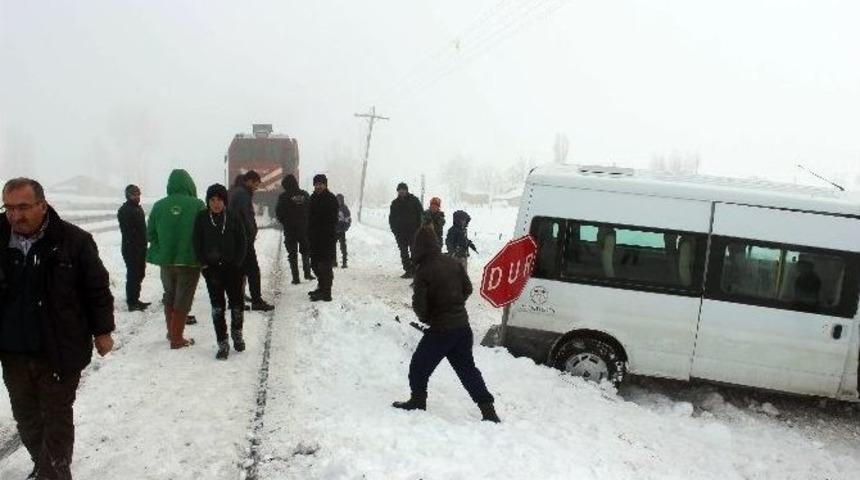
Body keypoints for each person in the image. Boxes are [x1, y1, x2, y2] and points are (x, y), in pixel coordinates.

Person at [0, 177, 115, 479]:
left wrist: (102, 331)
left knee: (56, 416)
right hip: (12, 350)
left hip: (59, 347)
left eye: (23, 207)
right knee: (26, 416)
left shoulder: (73, 241)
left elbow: (96, 289)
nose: (15, 215)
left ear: (42, 205)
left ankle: (52, 473)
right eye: (9, 208)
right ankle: (44, 466)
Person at [392, 227, 499, 423]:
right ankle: (488, 411)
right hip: (462, 328)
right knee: (467, 370)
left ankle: (417, 401)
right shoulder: (453, 262)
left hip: (441, 330)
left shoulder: (423, 270)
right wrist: (455, 305)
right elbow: (468, 288)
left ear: (417, 246)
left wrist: (428, 318)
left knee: (418, 366)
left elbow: (419, 305)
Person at [147, 169, 206, 349]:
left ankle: (171, 332)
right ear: (189, 184)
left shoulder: (158, 206)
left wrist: (163, 248)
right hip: (189, 261)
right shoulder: (197, 205)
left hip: (166, 261)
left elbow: (150, 233)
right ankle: (177, 339)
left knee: (170, 296)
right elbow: (204, 233)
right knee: (183, 299)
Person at [193, 184, 248, 360]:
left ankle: (237, 334)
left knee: (237, 305)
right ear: (208, 201)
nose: (216, 203)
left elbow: (242, 241)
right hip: (212, 271)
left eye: (219, 200)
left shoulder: (233, 217)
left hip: (233, 269)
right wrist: (204, 265)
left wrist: (238, 263)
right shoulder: (202, 218)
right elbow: (196, 243)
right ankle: (222, 343)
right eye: (212, 200)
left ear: (225, 201)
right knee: (217, 308)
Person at [231, 171, 275, 311]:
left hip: (237, 238)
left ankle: (235, 300)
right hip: (242, 239)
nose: (257, 187)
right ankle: (256, 301)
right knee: (253, 271)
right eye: (256, 184)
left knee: (239, 270)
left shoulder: (237, 192)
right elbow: (246, 218)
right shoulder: (243, 195)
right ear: (249, 181)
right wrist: (250, 234)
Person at [275, 174, 315, 284]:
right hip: (304, 229)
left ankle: (295, 278)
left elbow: (278, 212)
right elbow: (311, 210)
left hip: (290, 230)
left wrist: (285, 222)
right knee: (305, 251)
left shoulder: (283, 197)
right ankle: (307, 273)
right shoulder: (305, 194)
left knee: (292, 254)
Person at [117, 184, 151, 311]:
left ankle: (135, 298)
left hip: (140, 247)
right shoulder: (125, 210)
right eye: (134, 194)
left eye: (138, 194)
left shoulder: (137, 208)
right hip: (131, 248)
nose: (137, 197)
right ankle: (132, 302)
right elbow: (129, 231)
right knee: (133, 275)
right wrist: (136, 244)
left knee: (140, 273)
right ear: (128, 195)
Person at [307, 174, 339, 302]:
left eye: (321, 184)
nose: (318, 186)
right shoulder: (312, 198)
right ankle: (321, 287)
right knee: (314, 265)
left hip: (327, 238)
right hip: (314, 238)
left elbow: (333, 219)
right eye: (316, 184)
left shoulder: (331, 199)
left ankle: (326, 293)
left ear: (325, 185)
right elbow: (308, 216)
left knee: (325, 266)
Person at [388, 182, 423, 278]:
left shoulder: (414, 200)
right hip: (400, 233)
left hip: (413, 232)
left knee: (414, 252)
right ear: (398, 191)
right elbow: (391, 218)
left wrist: (419, 228)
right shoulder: (395, 203)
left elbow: (421, 214)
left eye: (403, 189)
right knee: (403, 252)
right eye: (400, 190)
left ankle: (415, 270)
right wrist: (395, 230)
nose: (402, 191)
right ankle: (408, 270)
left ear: (407, 190)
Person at [335, 193, 351, 268]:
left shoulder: (345, 209)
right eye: (337, 199)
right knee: (332, 247)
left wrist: (344, 228)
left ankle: (344, 262)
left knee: (343, 247)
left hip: (341, 231)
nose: (338, 201)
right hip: (334, 231)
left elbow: (348, 220)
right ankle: (333, 261)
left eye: (340, 199)